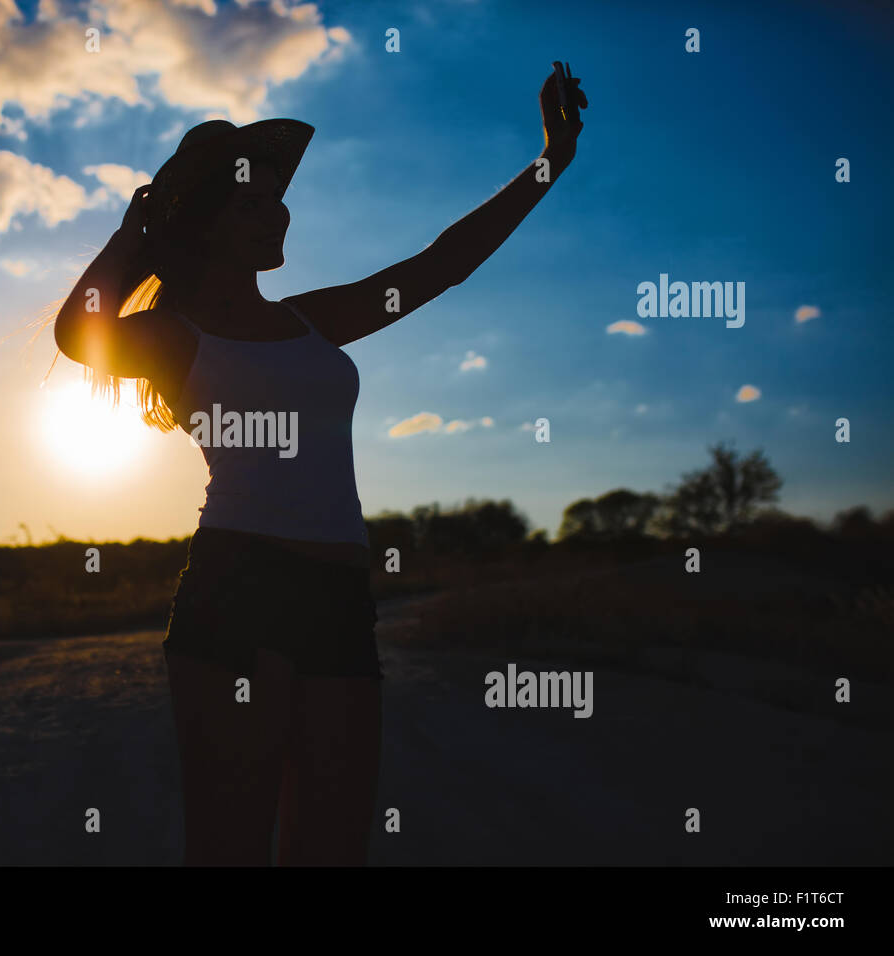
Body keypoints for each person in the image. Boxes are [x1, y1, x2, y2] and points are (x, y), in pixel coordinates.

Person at [52, 66, 587, 865]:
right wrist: (135, 235)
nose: (280, 211)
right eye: (253, 201)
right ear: (206, 226)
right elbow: (77, 331)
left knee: (333, 849)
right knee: (230, 848)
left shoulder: (313, 320)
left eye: (279, 195)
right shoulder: (177, 336)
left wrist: (553, 159)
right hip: (238, 590)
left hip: (340, 599)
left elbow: (441, 265)